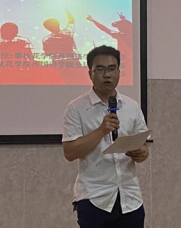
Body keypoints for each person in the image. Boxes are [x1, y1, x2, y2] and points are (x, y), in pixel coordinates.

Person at [62, 46, 149, 229]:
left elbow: (143, 149)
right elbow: (70, 152)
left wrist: (141, 153)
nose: (107, 75)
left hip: (130, 198)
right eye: (100, 69)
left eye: (111, 69)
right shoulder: (76, 108)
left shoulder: (132, 106)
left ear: (119, 72)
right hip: (94, 199)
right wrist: (101, 131)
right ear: (90, 74)